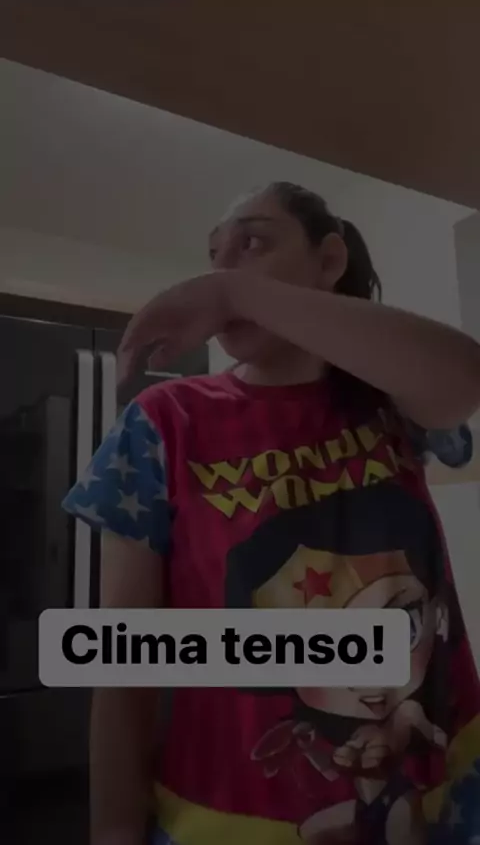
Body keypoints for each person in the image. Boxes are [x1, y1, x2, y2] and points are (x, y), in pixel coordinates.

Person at [63, 182, 480, 845]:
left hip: (435, 806)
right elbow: (126, 655)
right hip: (230, 819)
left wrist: (235, 293)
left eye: (252, 243)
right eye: (213, 255)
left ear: (329, 260)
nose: (222, 268)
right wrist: (113, 829)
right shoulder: (165, 421)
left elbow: (463, 379)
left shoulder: (387, 396)